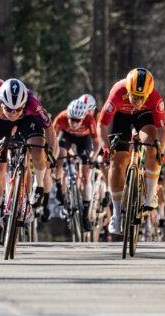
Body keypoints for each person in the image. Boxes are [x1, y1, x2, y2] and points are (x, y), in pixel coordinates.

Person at [0, 78, 57, 246]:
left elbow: (49, 128)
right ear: (1, 103)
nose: (13, 113)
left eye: (17, 109)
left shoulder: (32, 102)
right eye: (9, 109)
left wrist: (50, 153)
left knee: (38, 148)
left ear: (24, 103)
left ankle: (38, 185)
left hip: (28, 121)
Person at [97, 68, 165, 235]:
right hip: (120, 115)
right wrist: (106, 148)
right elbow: (101, 126)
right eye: (134, 96)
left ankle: (150, 194)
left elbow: (163, 129)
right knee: (117, 161)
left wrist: (160, 152)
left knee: (151, 144)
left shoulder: (155, 98)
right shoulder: (117, 92)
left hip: (144, 115)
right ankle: (116, 214)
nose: (137, 101)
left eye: (142, 97)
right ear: (127, 90)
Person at [52, 98, 101, 231]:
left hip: (83, 140)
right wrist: (52, 158)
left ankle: (85, 215)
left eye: (77, 121)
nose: (73, 123)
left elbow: (97, 143)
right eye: (71, 119)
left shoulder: (89, 120)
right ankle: (58, 185)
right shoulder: (61, 118)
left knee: (85, 175)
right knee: (60, 155)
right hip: (65, 137)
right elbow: (52, 140)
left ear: (82, 119)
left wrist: (91, 158)